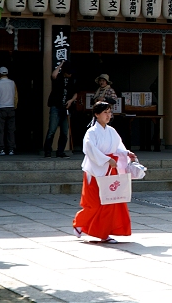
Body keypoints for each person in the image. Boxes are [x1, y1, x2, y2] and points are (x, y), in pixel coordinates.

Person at [73, 101, 137, 243]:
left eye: (109, 112)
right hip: (95, 171)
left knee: (110, 202)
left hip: (110, 170)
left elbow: (118, 147)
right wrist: (106, 160)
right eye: (105, 112)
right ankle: (79, 222)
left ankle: (104, 232)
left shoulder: (111, 131)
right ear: (97, 114)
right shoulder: (91, 132)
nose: (108, 115)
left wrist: (127, 153)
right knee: (94, 204)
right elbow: (90, 149)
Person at [45, 60, 78, 158]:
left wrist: (71, 101)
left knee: (64, 131)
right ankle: (47, 151)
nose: (70, 74)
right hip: (56, 106)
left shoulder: (73, 79)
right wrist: (61, 65)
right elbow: (53, 75)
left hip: (66, 108)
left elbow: (76, 93)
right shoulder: (58, 77)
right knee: (52, 129)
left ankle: (60, 151)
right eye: (68, 73)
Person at [0, 67, 17, 156]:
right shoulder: (12, 83)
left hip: (1, 108)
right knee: (11, 130)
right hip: (11, 108)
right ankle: (11, 149)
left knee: (0, 130)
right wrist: (15, 106)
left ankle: (1, 149)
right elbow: (16, 96)